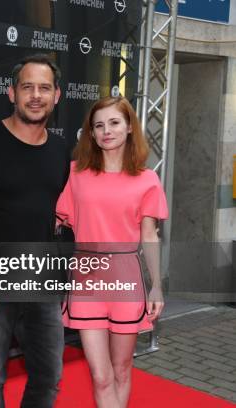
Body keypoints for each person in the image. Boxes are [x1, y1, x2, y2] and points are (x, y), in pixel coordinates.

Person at [57, 96, 167, 408]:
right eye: (99, 125)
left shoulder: (147, 179)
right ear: (90, 133)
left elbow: (149, 235)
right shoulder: (76, 173)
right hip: (87, 280)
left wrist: (156, 285)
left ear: (130, 127)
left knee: (121, 369)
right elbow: (54, 217)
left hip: (126, 279)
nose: (107, 131)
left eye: (115, 123)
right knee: (101, 375)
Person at [0, 54, 71, 408]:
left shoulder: (61, 150)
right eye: (27, 86)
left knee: (49, 376)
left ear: (57, 95)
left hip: (41, 277)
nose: (35, 95)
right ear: (11, 93)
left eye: (44, 88)